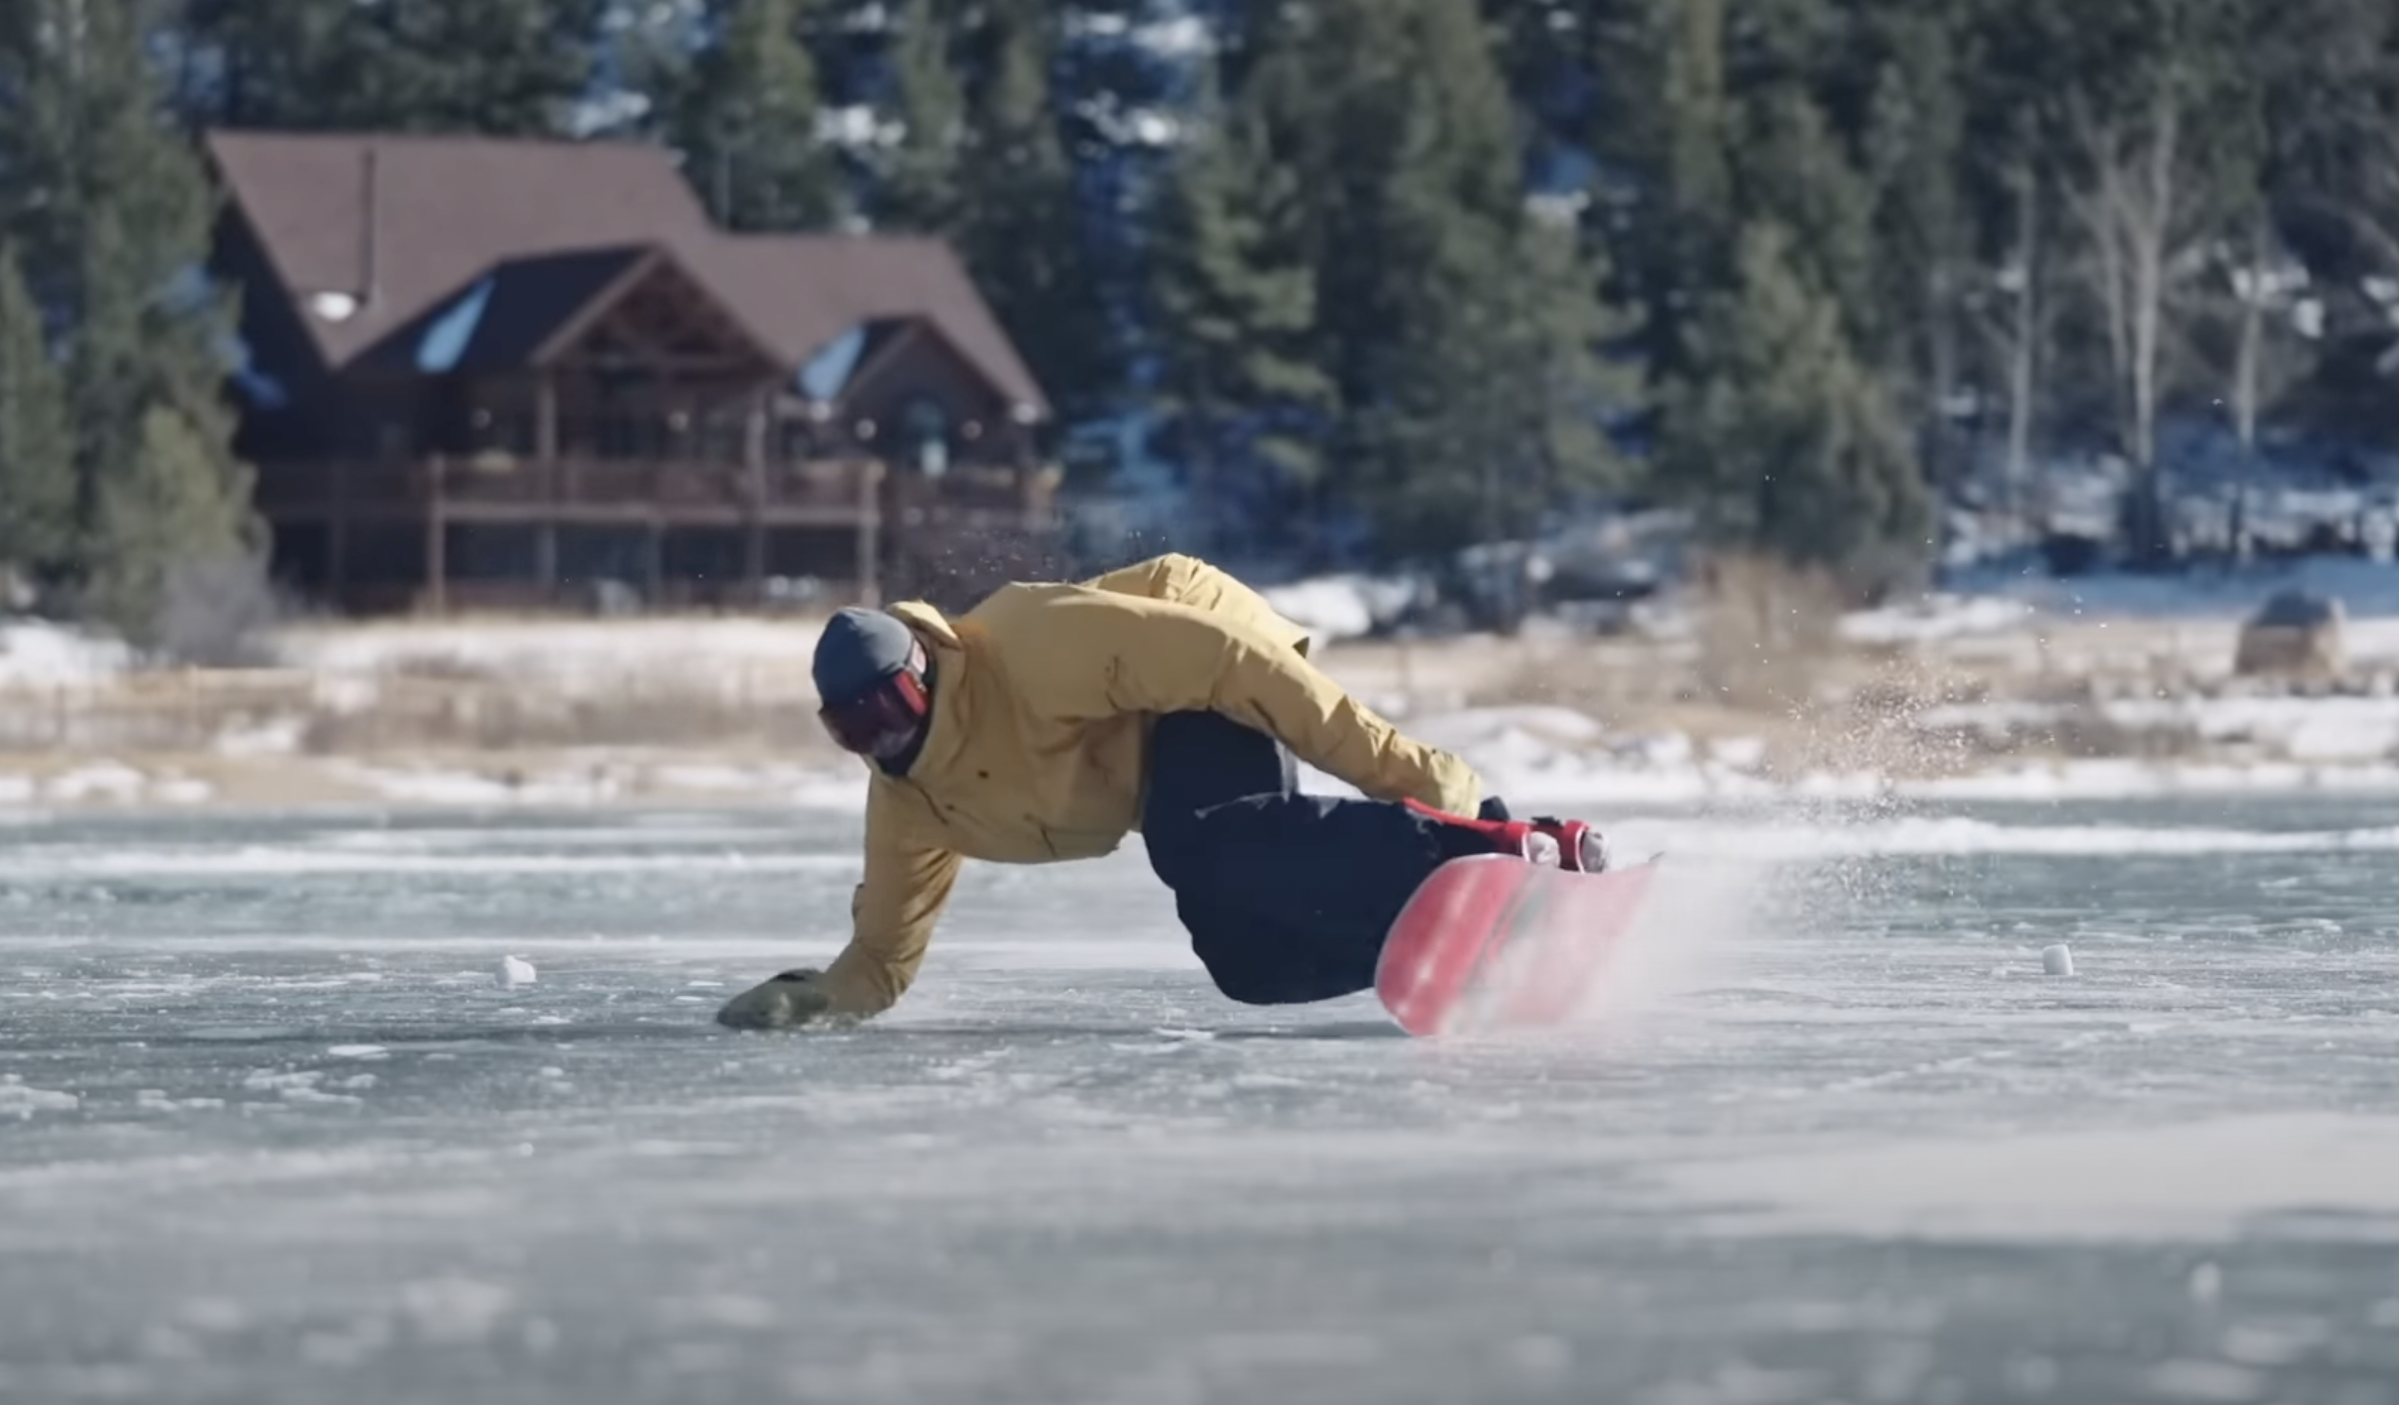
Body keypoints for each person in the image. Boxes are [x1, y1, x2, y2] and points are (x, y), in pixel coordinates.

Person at [714, 553, 1610, 1030]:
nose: (885, 737)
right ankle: (1442, 936)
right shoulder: (910, 803)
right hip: (1151, 756)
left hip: (1197, 656)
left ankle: (1497, 852)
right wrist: (814, 1000)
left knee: (1209, 847)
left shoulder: (1032, 646)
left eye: (893, 706)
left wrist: (1445, 797)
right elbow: (881, 954)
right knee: (1243, 964)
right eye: (853, 729)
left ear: (928, 670)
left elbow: (1238, 668)